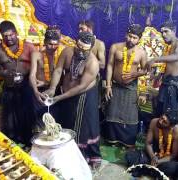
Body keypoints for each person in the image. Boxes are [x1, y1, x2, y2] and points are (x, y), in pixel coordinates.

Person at [44, 31, 101, 168]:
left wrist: (59, 97)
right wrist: (52, 88)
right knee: (67, 121)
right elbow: (58, 70)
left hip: (84, 95)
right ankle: (67, 152)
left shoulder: (93, 63)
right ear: (75, 43)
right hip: (65, 93)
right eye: (78, 47)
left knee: (85, 125)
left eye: (84, 49)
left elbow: (81, 86)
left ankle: (90, 155)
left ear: (91, 48)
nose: (80, 51)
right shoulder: (67, 52)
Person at [0, 20, 36, 145]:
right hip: (9, 87)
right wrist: (4, 73)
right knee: (10, 120)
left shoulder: (28, 46)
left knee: (27, 117)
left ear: (16, 33)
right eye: (5, 36)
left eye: (11, 35)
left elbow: (38, 64)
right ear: (1, 36)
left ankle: (28, 143)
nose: (9, 38)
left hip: (26, 86)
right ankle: (13, 145)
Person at [104, 24, 147, 147]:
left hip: (131, 88)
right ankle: (111, 140)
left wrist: (134, 74)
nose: (131, 40)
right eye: (129, 36)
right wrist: (108, 86)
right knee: (112, 113)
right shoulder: (115, 47)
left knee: (130, 116)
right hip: (115, 86)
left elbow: (145, 70)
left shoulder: (141, 53)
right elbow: (110, 66)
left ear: (139, 39)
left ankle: (127, 142)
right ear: (125, 35)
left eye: (134, 37)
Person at [125, 108, 178, 178]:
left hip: (165, 159)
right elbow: (148, 143)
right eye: (161, 118)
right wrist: (153, 157)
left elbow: (173, 155)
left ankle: (147, 170)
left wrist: (159, 161)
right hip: (152, 153)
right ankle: (152, 171)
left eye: (164, 122)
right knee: (130, 156)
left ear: (171, 126)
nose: (160, 121)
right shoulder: (154, 122)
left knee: (172, 167)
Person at [146, 21, 178, 118]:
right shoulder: (169, 46)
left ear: (174, 31)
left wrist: (155, 59)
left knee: (169, 114)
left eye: (166, 31)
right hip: (165, 82)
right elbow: (167, 66)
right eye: (162, 32)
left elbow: (176, 56)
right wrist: (157, 76)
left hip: (174, 83)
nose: (163, 35)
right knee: (160, 110)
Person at [29, 27, 63, 132]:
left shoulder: (61, 55)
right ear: (44, 42)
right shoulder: (37, 54)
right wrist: (35, 91)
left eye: (55, 44)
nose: (53, 47)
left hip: (55, 91)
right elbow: (32, 75)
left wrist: (47, 82)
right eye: (50, 44)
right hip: (40, 92)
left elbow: (62, 75)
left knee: (55, 122)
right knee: (41, 124)